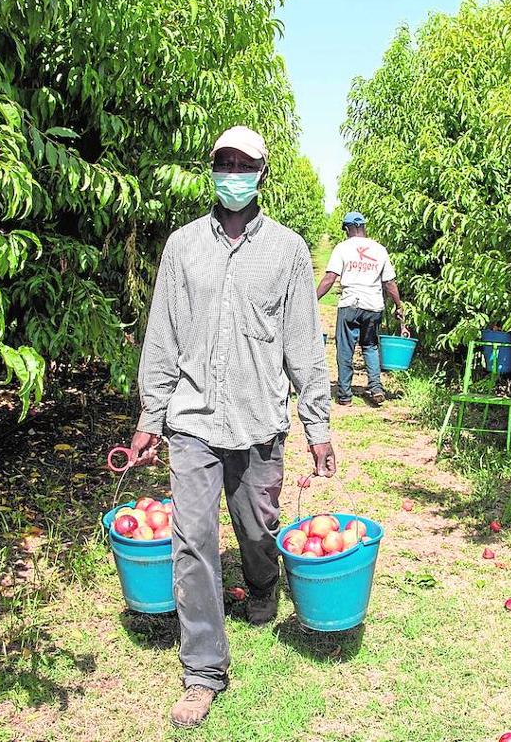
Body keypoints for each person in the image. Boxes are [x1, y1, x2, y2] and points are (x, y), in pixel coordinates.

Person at [129, 125, 337, 729]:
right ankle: (203, 672)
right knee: (192, 542)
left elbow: (304, 342)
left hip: (259, 420)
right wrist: (150, 416)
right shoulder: (183, 247)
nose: (234, 173)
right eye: (225, 163)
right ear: (212, 170)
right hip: (191, 420)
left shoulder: (290, 251)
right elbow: (162, 337)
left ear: (262, 174)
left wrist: (316, 425)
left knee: (256, 527)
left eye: (245, 164)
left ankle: (264, 584)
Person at [316, 211, 409, 406]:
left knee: (344, 349)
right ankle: (375, 388)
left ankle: (344, 395)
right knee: (370, 346)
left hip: (350, 304)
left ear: (347, 229)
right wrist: (398, 305)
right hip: (373, 306)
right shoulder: (379, 249)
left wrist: (312, 299)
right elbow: (389, 282)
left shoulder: (342, 248)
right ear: (364, 227)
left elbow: (330, 278)